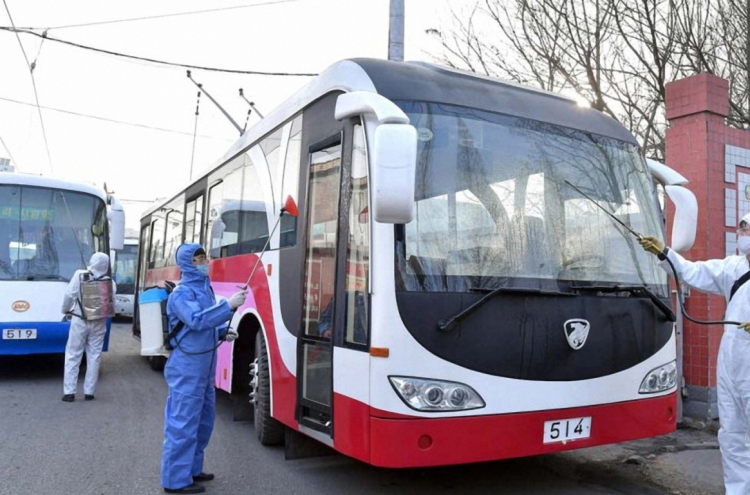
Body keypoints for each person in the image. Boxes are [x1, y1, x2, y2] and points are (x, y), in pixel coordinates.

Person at [639, 212, 750, 495]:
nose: (742, 234)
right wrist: (664, 253)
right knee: (733, 436)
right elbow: (693, 271)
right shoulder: (734, 268)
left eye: (747, 230)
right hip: (732, 362)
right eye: (742, 228)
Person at [160, 243, 246, 495]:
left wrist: (222, 331)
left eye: (204, 257)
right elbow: (196, 320)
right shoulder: (181, 294)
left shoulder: (204, 290)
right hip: (187, 368)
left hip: (203, 367)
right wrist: (228, 306)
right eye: (199, 259)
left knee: (202, 422)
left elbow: (205, 322)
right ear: (188, 264)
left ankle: (192, 469)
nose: (204, 262)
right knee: (182, 423)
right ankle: (175, 480)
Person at [61, 252, 116, 402]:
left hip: (80, 320)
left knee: (73, 354)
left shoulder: (80, 275)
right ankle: (89, 392)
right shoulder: (110, 282)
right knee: (94, 356)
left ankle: (69, 392)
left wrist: (64, 310)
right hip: (99, 323)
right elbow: (112, 306)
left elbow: (69, 295)